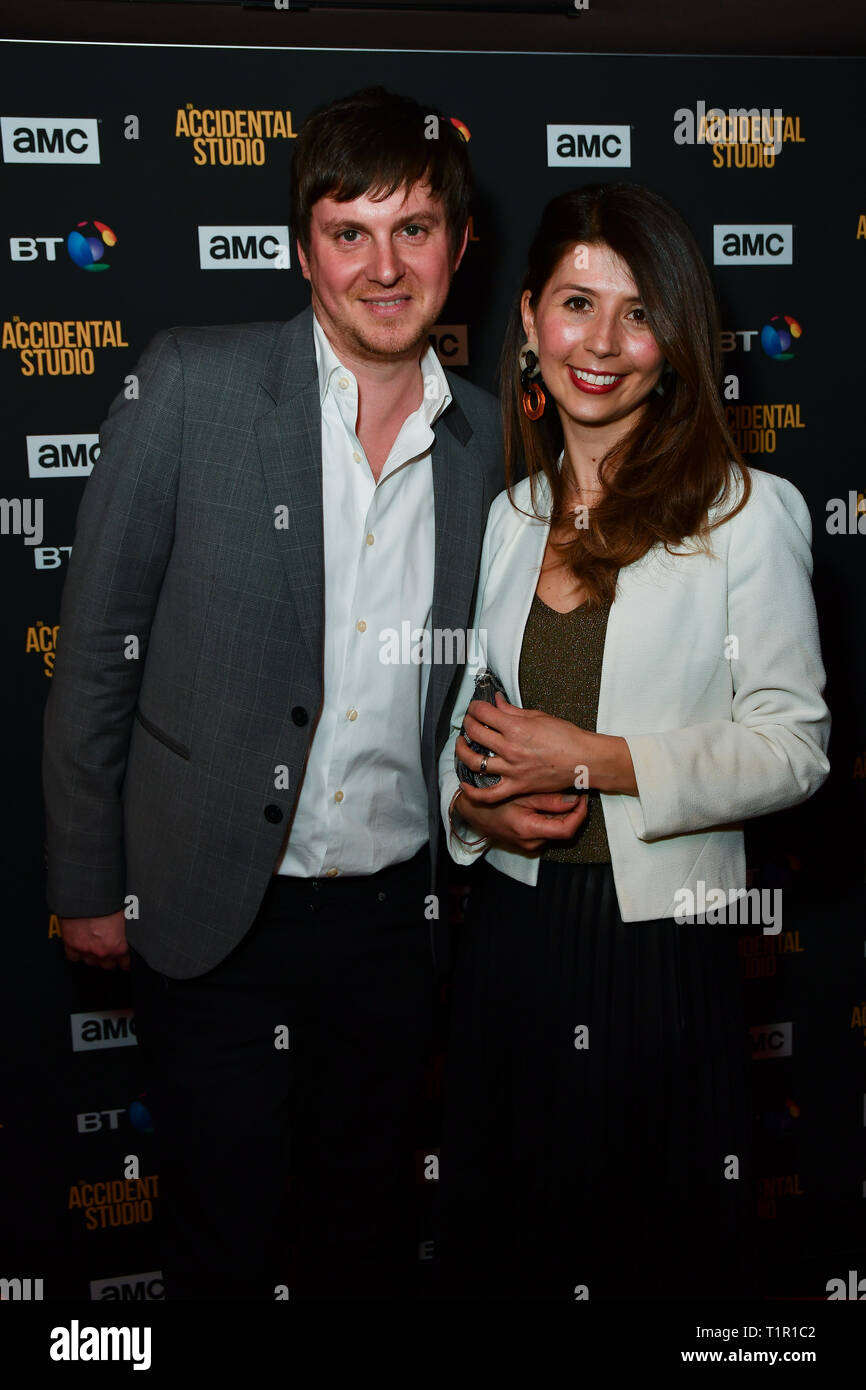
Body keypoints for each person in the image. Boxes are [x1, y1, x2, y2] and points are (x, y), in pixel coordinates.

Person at [42, 87, 507, 1301]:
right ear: (303, 248)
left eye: (412, 230)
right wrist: (88, 881)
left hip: (395, 927)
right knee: (224, 1237)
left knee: (360, 1236)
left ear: (457, 250)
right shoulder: (191, 387)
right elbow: (95, 647)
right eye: (349, 231)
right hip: (210, 913)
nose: (382, 264)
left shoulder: (493, 443)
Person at [435, 183, 831, 1301]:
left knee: (654, 1261)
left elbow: (793, 745)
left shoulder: (745, 512)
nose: (599, 344)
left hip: (655, 959)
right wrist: (470, 806)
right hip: (508, 947)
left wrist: (593, 760)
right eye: (573, 304)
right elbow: (464, 723)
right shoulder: (505, 518)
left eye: (636, 312)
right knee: (507, 1251)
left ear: (675, 340)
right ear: (526, 322)